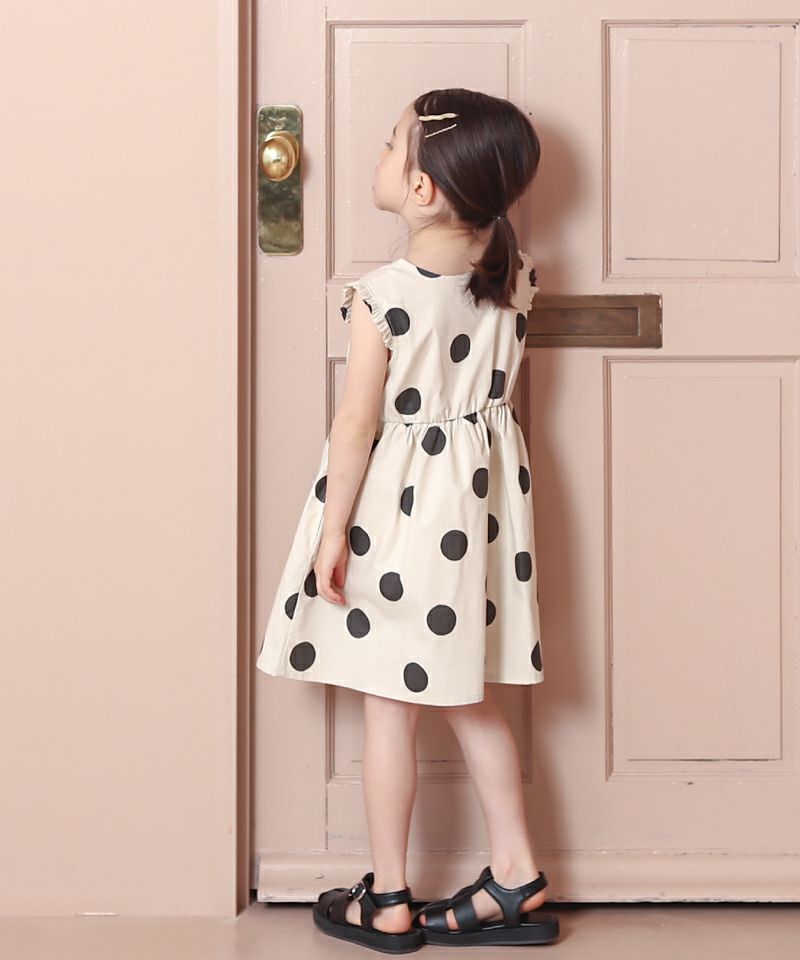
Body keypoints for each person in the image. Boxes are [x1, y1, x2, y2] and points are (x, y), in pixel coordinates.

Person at [257, 87, 559, 953]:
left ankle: (389, 896)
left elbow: (357, 424)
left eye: (392, 146)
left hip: (400, 515)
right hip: (479, 516)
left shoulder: (383, 295)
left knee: (389, 707)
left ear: (422, 189)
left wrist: (331, 536)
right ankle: (516, 873)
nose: (380, 157)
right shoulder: (516, 275)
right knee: (469, 696)